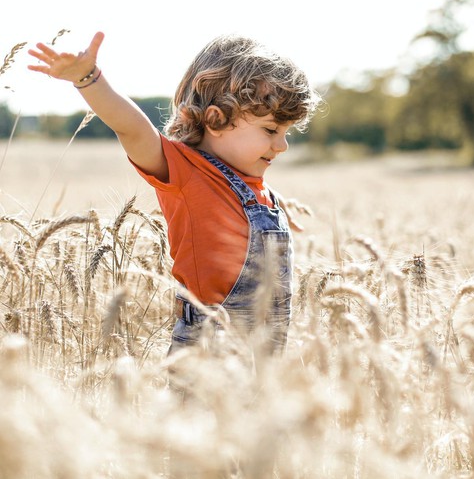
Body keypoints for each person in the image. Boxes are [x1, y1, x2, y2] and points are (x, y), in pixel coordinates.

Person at [28, 32, 321, 354]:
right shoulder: (186, 172)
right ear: (215, 119)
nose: (282, 145)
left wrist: (276, 211)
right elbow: (133, 128)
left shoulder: (256, 187)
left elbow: (240, 210)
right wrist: (88, 79)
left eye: (286, 132)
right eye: (270, 130)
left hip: (266, 348)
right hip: (209, 346)